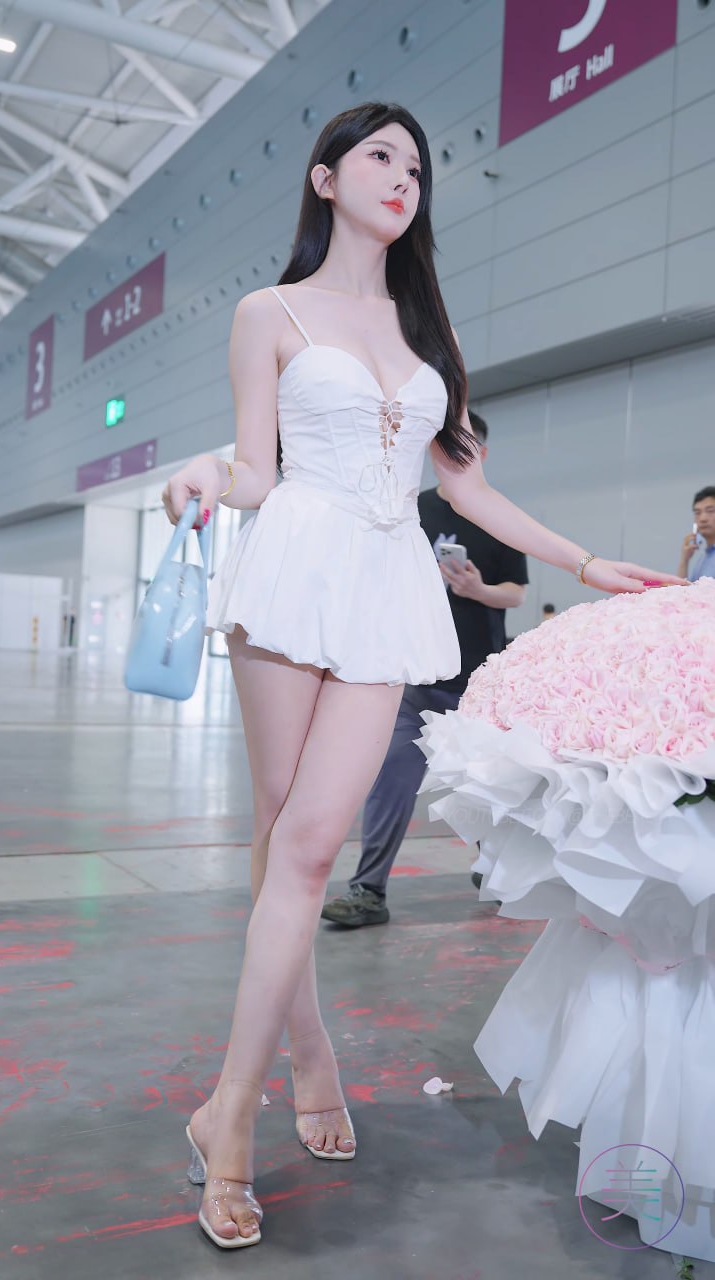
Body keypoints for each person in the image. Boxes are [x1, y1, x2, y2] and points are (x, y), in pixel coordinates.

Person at [160, 101, 683, 1250]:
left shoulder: (425, 327)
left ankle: (259, 1082)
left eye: (416, 164)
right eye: (380, 156)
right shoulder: (269, 312)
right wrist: (204, 469)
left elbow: (466, 485)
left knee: (309, 846)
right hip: (294, 564)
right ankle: (252, 1099)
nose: (404, 176)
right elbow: (258, 468)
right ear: (326, 177)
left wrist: (584, 560)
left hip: (389, 583)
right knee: (285, 840)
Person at [321, 411, 527, 928]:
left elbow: (516, 593)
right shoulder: (410, 510)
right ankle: (368, 890)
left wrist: (477, 589)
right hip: (413, 677)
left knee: (486, 783)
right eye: (444, 445)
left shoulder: (501, 516)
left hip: (477, 681)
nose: (453, 455)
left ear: (482, 453)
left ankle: (496, 870)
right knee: (390, 779)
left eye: (465, 445)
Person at [678, 486, 715, 581]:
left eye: (710, 511)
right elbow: (683, 588)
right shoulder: (704, 557)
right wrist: (684, 560)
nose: (702, 519)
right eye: (697, 513)